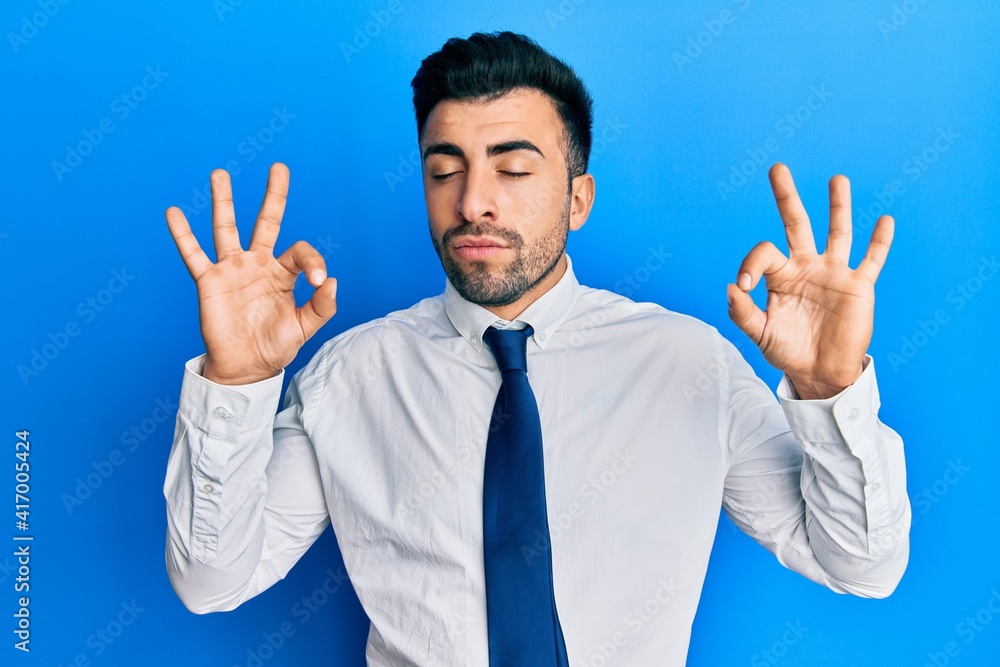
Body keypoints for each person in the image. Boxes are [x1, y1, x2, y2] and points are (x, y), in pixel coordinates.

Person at [163, 31, 909, 666]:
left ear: (578, 199)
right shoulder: (351, 375)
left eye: (513, 169)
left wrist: (829, 389)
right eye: (444, 169)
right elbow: (210, 582)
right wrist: (237, 383)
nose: (473, 200)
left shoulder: (689, 364)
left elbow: (861, 565)